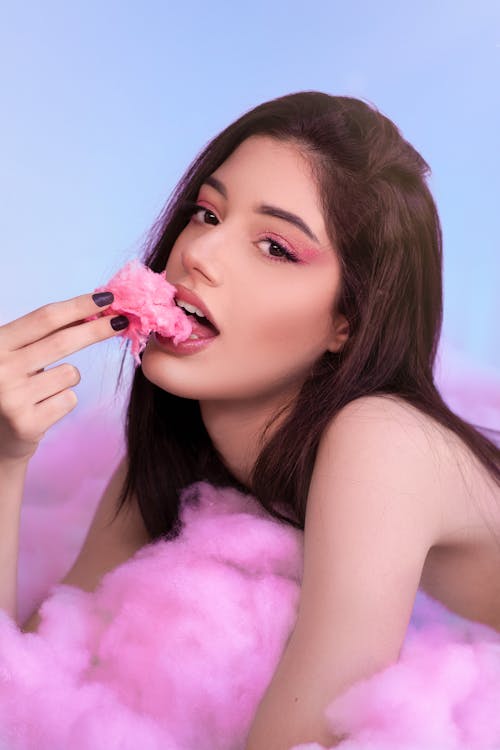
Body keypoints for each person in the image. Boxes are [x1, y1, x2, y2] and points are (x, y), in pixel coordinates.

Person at [1, 91, 499, 749]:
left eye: (274, 246)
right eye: (207, 212)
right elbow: (37, 673)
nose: (198, 253)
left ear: (345, 324)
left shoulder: (383, 444)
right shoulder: (177, 447)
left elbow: (304, 737)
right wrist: (9, 456)